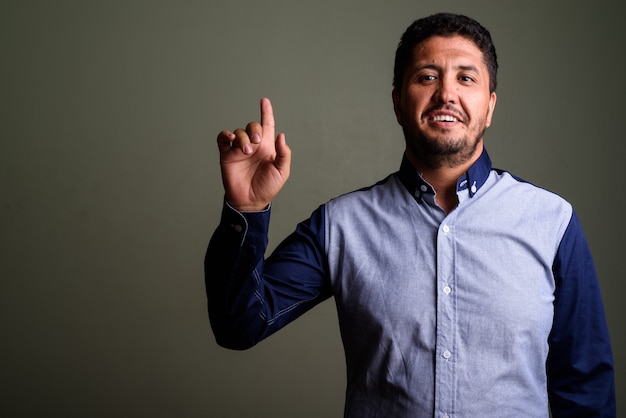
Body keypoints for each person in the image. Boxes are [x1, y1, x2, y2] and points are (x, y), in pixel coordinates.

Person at [205, 12, 615, 417]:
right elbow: (240, 325)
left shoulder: (552, 222)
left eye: (466, 78)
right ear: (398, 103)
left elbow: (585, 389)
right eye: (427, 77)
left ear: (489, 107)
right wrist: (248, 208)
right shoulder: (341, 225)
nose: (446, 94)